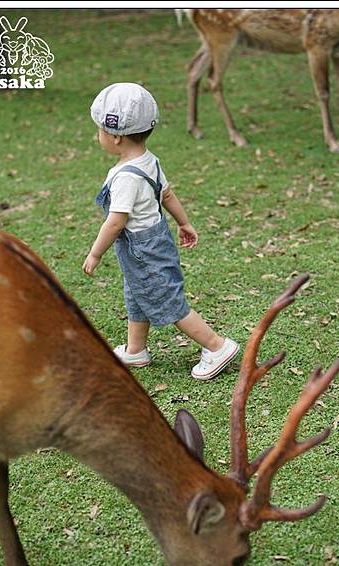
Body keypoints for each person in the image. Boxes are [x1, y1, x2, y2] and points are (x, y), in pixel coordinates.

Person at [83, 82, 239, 380]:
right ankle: (135, 349)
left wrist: (95, 253)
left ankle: (216, 346)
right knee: (137, 295)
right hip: (154, 239)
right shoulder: (149, 160)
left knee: (169, 302)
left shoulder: (125, 177)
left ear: (115, 136)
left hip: (143, 251)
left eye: (99, 130)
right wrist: (184, 222)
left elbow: (115, 222)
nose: (97, 136)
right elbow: (166, 194)